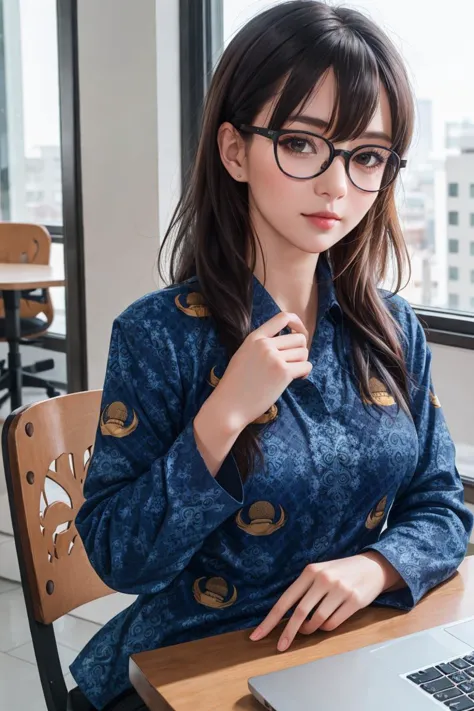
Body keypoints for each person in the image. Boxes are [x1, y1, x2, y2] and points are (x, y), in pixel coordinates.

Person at [69, 2, 474, 708]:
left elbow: (442, 505)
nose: (337, 185)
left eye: (367, 155)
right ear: (235, 151)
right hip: (192, 664)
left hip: (355, 653)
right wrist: (221, 417)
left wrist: (376, 567)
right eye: (303, 142)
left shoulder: (392, 327)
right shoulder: (159, 335)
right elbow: (119, 556)